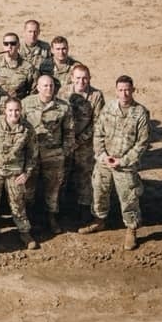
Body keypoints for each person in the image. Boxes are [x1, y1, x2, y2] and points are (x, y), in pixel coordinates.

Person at [79, 75, 150, 251]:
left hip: (125, 165)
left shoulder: (140, 113)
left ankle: (131, 229)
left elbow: (142, 143)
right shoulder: (108, 108)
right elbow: (98, 133)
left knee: (128, 197)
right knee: (99, 190)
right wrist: (102, 155)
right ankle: (99, 220)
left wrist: (123, 161)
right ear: (116, 91)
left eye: (127, 90)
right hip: (105, 160)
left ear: (133, 90)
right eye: (120, 90)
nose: (124, 93)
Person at [0, 97, 39, 250]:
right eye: (10, 110)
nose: (14, 113)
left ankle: (24, 232)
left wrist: (27, 173)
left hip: (15, 173)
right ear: (4, 111)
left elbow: (32, 153)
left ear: (21, 111)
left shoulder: (27, 128)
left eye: (17, 110)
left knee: (18, 203)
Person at [22, 75, 74, 234]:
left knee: (53, 189)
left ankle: (51, 217)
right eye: (44, 86)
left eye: (51, 86)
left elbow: (69, 133)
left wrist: (64, 153)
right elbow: (19, 127)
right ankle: (28, 218)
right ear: (37, 87)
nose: (48, 89)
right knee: (28, 188)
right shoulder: (26, 103)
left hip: (53, 153)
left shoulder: (63, 107)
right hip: (30, 153)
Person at [58, 63, 105, 220]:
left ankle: (84, 208)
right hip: (65, 142)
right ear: (71, 78)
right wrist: (67, 140)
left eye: (85, 78)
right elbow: (58, 117)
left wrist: (80, 139)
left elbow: (98, 122)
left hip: (85, 144)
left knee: (85, 175)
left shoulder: (96, 96)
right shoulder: (63, 92)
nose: (81, 82)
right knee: (62, 174)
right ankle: (60, 208)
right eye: (78, 78)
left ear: (90, 79)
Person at [0, 33, 37, 99]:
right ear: (3, 46)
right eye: (6, 44)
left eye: (13, 43)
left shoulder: (28, 67)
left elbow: (33, 91)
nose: (9, 46)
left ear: (18, 45)